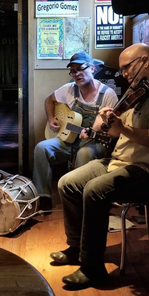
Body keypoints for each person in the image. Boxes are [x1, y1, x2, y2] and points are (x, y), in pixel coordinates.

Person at [52, 43, 149, 288]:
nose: (123, 73)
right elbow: (102, 131)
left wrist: (122, 128)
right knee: (67, 183)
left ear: (145, 61)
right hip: (120, 163)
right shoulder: (137, 92)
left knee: (95, 190)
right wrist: (104, 121)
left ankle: (93, 269)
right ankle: (76, 248)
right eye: (122, 69)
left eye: (127, 67)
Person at [33, 52, 118, 212]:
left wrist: (94, 131)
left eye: (80, 68)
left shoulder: (107, 94)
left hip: (96, 141)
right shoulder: (69, 89)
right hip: (68, 139)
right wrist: (51, 119)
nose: (76, 74)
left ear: (92, 68)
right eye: (73, 71)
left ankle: (80, 202)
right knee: (41, 148)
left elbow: (111, 129)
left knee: (84, 154)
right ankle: (43, 198)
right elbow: (49, 100)